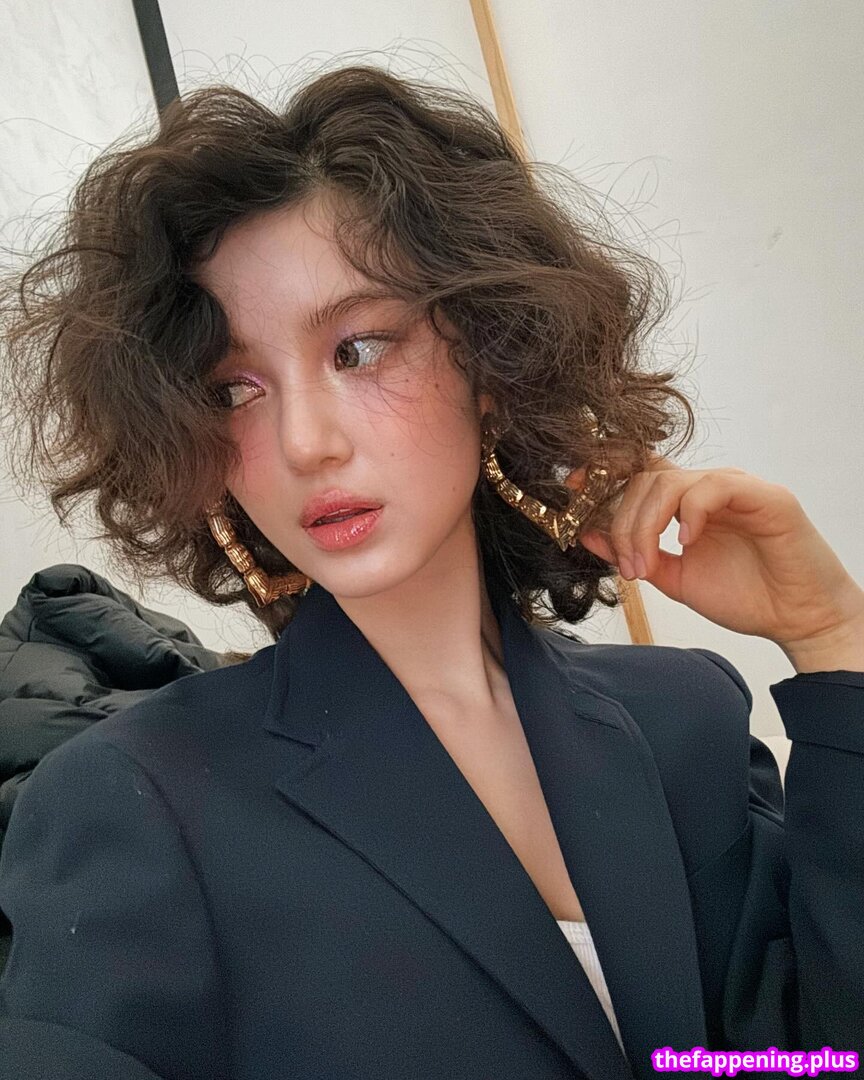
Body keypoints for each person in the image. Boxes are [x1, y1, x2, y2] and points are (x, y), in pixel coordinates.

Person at [0, 63, 862, 1080]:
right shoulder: (134, 801)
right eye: (234, 389)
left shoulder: (685, 719)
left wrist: (833, 638)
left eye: (359, 349)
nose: (307, 441)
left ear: (490, 360)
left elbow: (821, 1056)